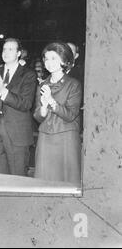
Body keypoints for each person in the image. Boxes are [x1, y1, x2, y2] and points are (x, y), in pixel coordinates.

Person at [34, 42, 82, 185]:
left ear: (64, 60)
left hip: (65, 137)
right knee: (44, 181)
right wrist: (43, 107)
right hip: (45, 138)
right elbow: (37, 116)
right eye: (46, 59)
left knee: (66, 181)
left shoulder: (73, 84)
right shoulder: (42, 85)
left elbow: (71, 115)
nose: (49, 62)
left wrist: (51, 101)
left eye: (54, 58)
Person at [0, 38, 37, 176]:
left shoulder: (28, 74)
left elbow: (26, 104)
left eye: (10, 49)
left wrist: (4, 92)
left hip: (17, 132)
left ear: (19, 53)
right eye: (4, 49)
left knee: (17, 177)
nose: (6, 52)